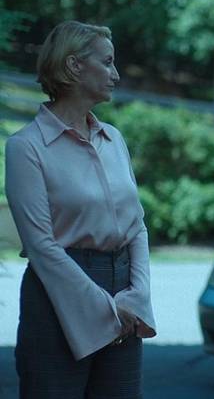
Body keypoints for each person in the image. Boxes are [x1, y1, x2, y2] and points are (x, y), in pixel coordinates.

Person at [5, 20, 156, 398]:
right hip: (59, 300)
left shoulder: (114, 139)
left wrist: (137, 295)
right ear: (73, 66)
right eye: (106, 63)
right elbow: (41, 247)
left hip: (124, 299)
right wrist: (107, 308)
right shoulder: (27, 147)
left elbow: (136, 225)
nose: (116, 75)